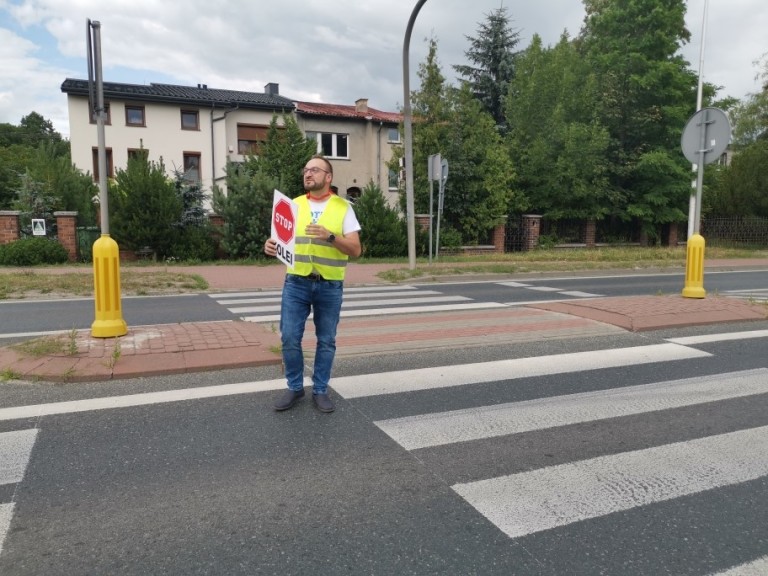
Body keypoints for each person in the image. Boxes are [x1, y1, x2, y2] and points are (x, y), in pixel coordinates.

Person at [264, 155, 362, 413]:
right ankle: (295, 387)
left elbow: (355, 249)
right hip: (296, 282)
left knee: (326, 340)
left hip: (329, 285)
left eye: (314, 170)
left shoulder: (343, 207)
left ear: (328, 177)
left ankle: (320, 390)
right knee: (289, 339)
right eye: (305, 169)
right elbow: (280, 240)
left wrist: (331, 237)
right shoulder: (291, 205)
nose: (308, 174)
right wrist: (270, 246)